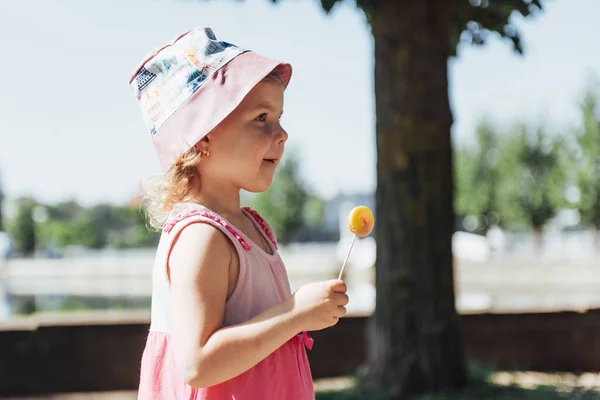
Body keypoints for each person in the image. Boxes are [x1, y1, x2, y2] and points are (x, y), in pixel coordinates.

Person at [128, 27, 349, 400]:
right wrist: (295, 314)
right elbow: (198, 365)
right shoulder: (202, 237)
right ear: (201, 137)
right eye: (261, 118)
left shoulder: (249, 227)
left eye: (278, 118)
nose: (282, 134)